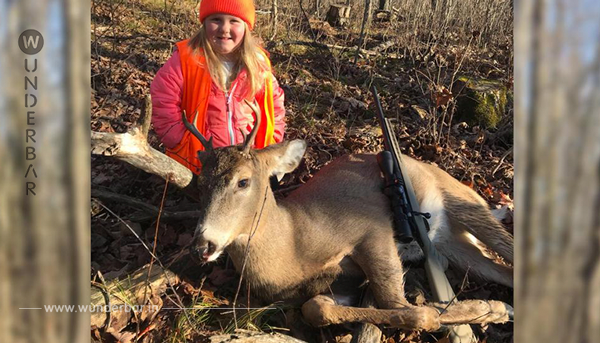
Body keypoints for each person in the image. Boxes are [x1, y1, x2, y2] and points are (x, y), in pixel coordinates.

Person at [150, 0, 286, 174]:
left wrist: (271, 143)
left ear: (246, 27)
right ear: (204, 23)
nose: (224, 28)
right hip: (201, 161)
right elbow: (163, 100)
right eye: (216, 20)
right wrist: (179, 140)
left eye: (234, 21)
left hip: (246, 161)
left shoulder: (257, 64)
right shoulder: (186, 59)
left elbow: (274, 107)